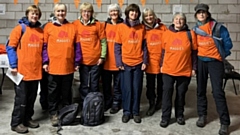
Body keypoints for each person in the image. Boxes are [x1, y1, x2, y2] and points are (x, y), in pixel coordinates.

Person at [193, 3, 232, 135]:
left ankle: (225, 122)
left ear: (207, 13)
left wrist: (221, 55)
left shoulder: (217, 27)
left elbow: (228, 44)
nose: (201, 14)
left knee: (217, 92)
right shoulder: (195, 29)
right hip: (201, 61)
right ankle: (202, 115)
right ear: (196, 15)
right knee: (200, 90)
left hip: (215, 62)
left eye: (203, 12)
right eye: (199, 13)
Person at [42, 3, 82, 126]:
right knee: (53, 92)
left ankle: (67, 112)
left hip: (68, 67)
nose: (61, 13)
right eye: (58, 11)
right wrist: (45, 61)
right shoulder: (48, 27)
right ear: (55, 12)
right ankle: (53, 113)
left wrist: (77, 61)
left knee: (66, 92)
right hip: (53, 67)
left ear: (66, 12)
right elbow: (44, 47)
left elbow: (77, 47)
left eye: (63, 11)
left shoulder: (72, 27)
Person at [6, 5, 43, 133]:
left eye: (37, 14)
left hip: (35, 71)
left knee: (31, 98)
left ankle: (27, 118)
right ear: (27, 14)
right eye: (32, 13)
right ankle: (16, 122)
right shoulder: (19, 29)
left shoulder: (40, 31)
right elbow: (10, 47)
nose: (35, 16)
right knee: (21, 99)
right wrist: (13, 65)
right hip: (21, 71)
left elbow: (43, 50)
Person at [160, 12, 197, 127]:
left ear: (184, 21)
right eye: (176, 19)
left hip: (184, 70)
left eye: (181, 19)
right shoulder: (166, 33)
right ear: (173, 21)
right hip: (168, 70)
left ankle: (179, 115)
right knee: (167, 94)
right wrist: (161, 65)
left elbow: (194, 53)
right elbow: (163, 52)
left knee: (181, 94)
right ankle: (165, 117)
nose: (178, 21)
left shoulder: (190, 34)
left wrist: (194, 68)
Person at [114, 3, 148, 123]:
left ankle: (136, 112)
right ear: (128, 13)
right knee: (127, 89)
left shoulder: (142, 28)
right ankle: (127, 112)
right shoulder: (121, 27)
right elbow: (117, 46)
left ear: (138, 13)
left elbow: (144, 46)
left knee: (137, 88)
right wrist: (119, 62)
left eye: (136, 12)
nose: (134, 14)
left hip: (138, 63)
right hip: (126, 63)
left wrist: (145, 61)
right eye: (131, 12)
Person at [73, 2, 107, 108]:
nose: (86, 14)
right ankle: (85, 105)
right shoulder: (75, 24)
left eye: (88, 12)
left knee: (94, 84)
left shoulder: (98, 25)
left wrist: (102, 57)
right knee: (84, 85)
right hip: (82, 62)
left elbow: (103, 42)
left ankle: (94, 105)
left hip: (95, 61)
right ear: (81, 12)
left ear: (92, 13)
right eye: (84, 11)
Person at [141, 8, 167, 116]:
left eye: (150, 15)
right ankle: (151, 103)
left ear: (154, 15)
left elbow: (167, 44)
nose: (149, 18)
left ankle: (160, 101)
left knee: (162, 83)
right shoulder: (142, 29)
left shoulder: (163, 28)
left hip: (162, 61)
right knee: (150, 85)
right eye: (146, 16)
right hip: (150, 62)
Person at [101, 3, 123, 114]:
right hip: (106, 61)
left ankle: (116, 103)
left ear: (119, 12)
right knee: (106, 85)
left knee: (117, 85)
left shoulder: (124, 25)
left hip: (119, 61)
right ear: (109, 13)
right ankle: (107, 102)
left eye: (115, 11)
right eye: (111, 11)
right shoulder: (104, 25)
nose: (114, 13)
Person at [39, 13, 54, 111]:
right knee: (45, 85)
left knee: (51, 86)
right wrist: (45, 62)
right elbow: (43, 47)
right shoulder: (43, 28)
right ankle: (45, 104)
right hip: (44, 62)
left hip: (53, 62)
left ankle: (49, 104)